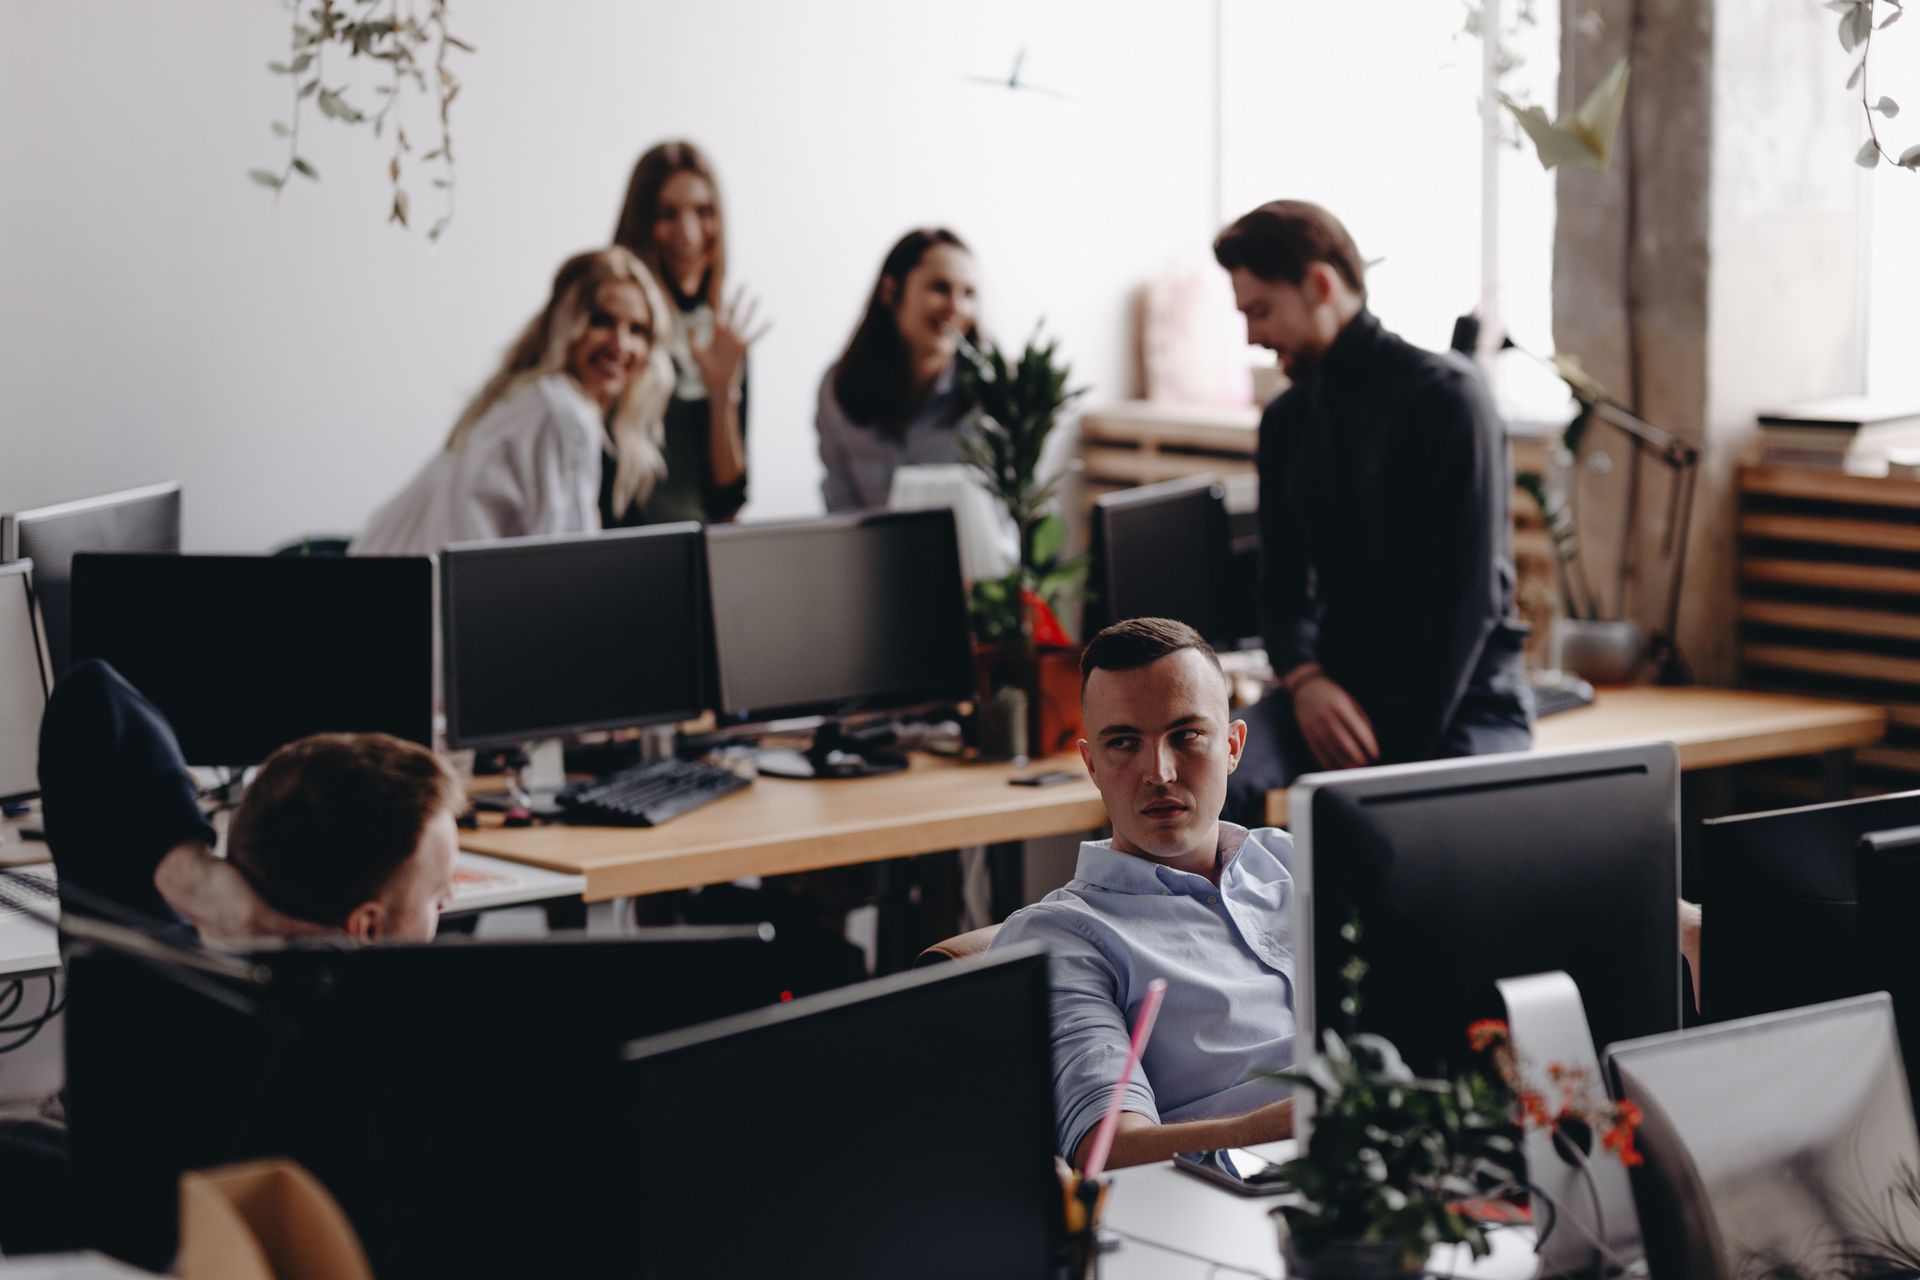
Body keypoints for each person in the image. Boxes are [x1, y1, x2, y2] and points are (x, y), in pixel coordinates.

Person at [1213, 200, 1531, 826]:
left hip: (1465, 703)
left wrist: (1382, 769)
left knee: (1415, 834)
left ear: (1321, 285)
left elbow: (1467, 608)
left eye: (1261, 310)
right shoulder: (1285, 421)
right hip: (1331, 693)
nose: (1252, 335)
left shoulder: (1449, 398)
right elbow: (1279, 588)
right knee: (1209, 776)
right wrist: (1305, 681)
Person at [992, 618, 1296, 1170]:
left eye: (1186, 736)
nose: (1158, 772)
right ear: (1092, 765)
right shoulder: (1057, 939)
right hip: (1230, 1210)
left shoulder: (1296, 860)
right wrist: (1298, 1123)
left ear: (1232, 746)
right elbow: (1109, 1149)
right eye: (1125, 743)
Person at [38, 659, 462, 942]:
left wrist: (197, 879)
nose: (449, 902)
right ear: (366, 927)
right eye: (437, 893)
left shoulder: (153, 959)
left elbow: (90, 695)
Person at [353, 246, 677, 556]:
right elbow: (566, 565)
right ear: (567, 323)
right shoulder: (564, 412)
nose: (621, 344)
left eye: (638, 329)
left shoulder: (527, 399)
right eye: (602, 321)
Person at [612, 141, 766, 525]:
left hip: (700, 548)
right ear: (641, 221)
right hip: (622, 552)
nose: (689, 232)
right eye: (668, 213)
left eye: (704, 212)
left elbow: (728, 501)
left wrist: (721, 392)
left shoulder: (724, 338)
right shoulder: (618, 329)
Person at [817, 228, 980, 511]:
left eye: (968, 293)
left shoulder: (992, 398)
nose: (956, 307)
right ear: (891, 291)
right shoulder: (838, 389)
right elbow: (841, 512)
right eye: (940, 288)